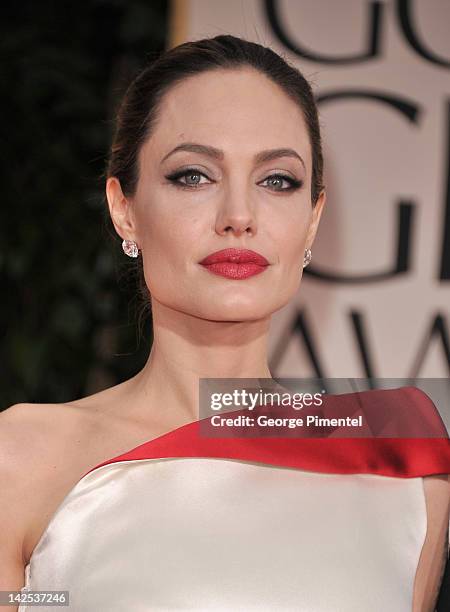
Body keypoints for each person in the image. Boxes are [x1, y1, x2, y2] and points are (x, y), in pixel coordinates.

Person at [1, 34, 449, 612]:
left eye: (277, 181)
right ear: (124, 209)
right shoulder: (23, 458)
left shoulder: (403, 466)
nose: (239, 216)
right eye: (194, 175)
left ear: (312, 220)